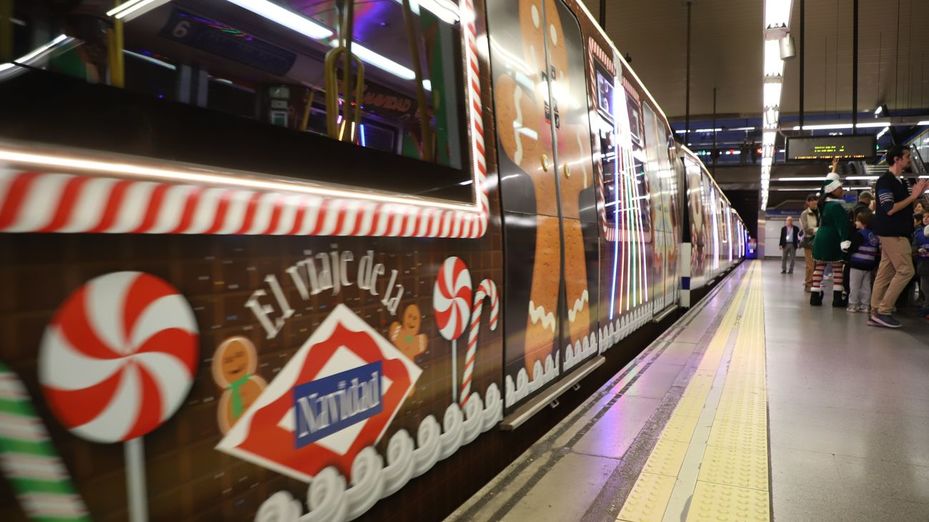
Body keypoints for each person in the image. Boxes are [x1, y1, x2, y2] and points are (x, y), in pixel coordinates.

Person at [869, 145, 929, 328]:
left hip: (895, 232)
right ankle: (884, 310)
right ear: (896, 159)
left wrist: (915, 196)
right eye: (907, 156)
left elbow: (903, 206)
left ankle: (875, 311)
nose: (910, 159)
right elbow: (889, 209)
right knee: (906, 270)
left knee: (885, 272)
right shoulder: (885, 181)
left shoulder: (900, 182)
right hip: (893, 233)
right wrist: (913, 196)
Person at [811, 177, 851, 307]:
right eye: (839, 188)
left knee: (819, 267)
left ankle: (814, 297)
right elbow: (843, 225)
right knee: (837, 268)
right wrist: (845, 240)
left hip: (820, 237)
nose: (842, 190)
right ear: (832, 190)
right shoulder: (836, 206)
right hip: (832, 238)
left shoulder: (823, 205)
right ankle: (837, 298)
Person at [846, 210, 880, 313]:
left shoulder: (859, 234)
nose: (855, 222)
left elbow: (853, 248)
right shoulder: (874, 235)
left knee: (854, 285)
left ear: (863, 223)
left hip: (857, 263)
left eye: (857, 220)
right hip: (869, 264)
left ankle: (853, 304)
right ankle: (865, 305)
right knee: (866, 286)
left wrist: (847, 250)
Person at [799, 194, 820, 292]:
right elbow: (806, 229)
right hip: (809, 241)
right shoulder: (805, 214)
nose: (814, 202)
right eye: (812, 200)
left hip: (819, 241)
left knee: (818, 265)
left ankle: (816, 283)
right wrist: (819, 230)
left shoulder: (820, 212)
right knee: (810, 265)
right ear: (808, 202)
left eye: (816, 200)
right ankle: (808, 284)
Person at [914, 212, 929, 315]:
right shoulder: (919, 233)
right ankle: (926, 305)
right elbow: (914, 246)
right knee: (924, 287)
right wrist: (918, 249)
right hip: (923, 263)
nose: (926, 219)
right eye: (924, 217)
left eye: (928, 217)